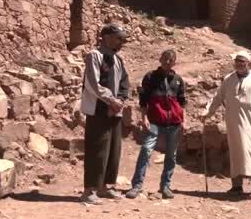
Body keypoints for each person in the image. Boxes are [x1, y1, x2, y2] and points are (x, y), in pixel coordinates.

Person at [203, 50, 251, 199]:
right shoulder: (228, 79)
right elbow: (218, 97)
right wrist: (207, 113)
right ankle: (237, 186)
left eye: (242, 62)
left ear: (249, 63)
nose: (239, 64)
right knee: (236, 153)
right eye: (237, 62)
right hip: (234, 123)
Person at [80, 23, 130, 205]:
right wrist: (111, 100)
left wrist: (121, 100)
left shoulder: (118, 60)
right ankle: (89, 190)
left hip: (115, 111)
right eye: (119, 38)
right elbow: (93, 83)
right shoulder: (95, 56)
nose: (121, 42)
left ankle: (105, 186)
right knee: (97, 149)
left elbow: (125, 83)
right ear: (107, 37)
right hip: (98, 110)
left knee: (113, 150)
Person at [127, 50, 186, 200]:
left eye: (171, 60)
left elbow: (182, 102)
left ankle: (165, 186)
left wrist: (184, 120)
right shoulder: (150, 77)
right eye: (165, 58)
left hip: (174, 123)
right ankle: (137, 185)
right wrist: (144, 117)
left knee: (171, 155)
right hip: (154, 121)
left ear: (175, 62)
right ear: (160, 59)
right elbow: (144, 99)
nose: (168, 62)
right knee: (146, 149)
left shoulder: (178, 80)